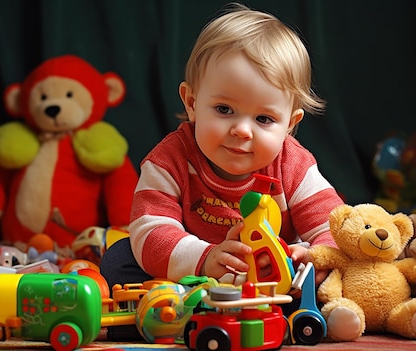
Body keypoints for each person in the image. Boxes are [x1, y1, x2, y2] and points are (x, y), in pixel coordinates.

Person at [100, 2, 344, 295]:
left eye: (264, 119)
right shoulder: (169, 159)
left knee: (329, 262)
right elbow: (150, 227)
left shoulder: (293, 164)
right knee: (119, 259)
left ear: (289, 125)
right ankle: (192, 300)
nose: (241, 130)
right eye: (224, 109)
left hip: (267, 271)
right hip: (194, 270)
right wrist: (204, 259)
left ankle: (287, 298)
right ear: (191, 103)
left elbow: (332, 225)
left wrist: (315, 257)